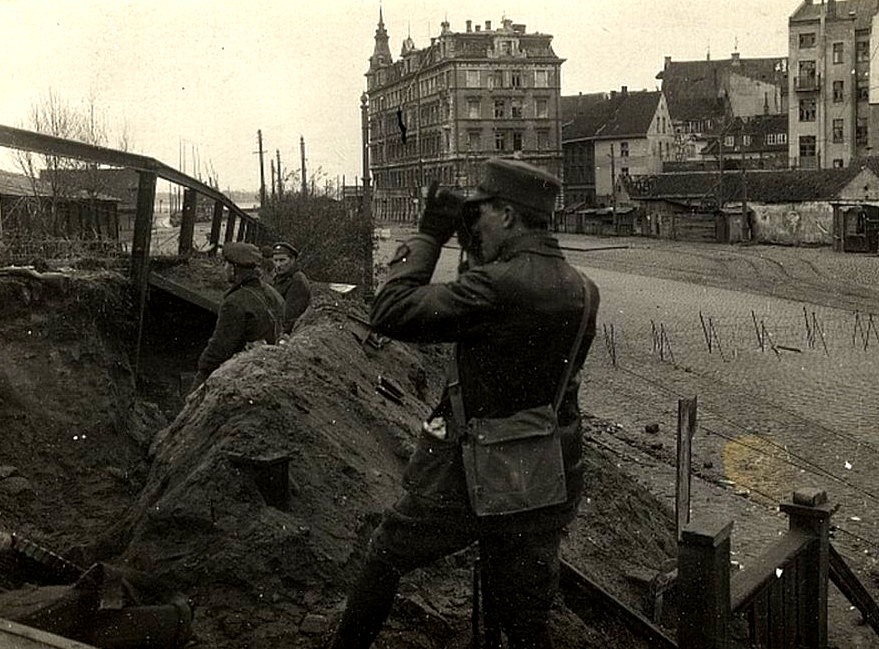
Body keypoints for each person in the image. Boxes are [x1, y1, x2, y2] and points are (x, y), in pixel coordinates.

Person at [329, 158, 601, 649]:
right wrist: (476, 246)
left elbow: (389, 311)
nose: (475, 222)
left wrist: (431, 234)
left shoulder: (497, 286)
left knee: (389, 550)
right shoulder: (583, 290)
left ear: (508, 216)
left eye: (481, 213)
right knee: (523, 609)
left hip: (479, 472)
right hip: (547, 474)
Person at [190, 241, 285, 391]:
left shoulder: (235, 303)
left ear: (235, 269)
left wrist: (203, 369)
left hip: (246, 370)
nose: (224, 269)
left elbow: (220, 347)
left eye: (226, 264)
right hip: (270, 365)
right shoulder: (272, 293)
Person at [271, 241, 312, 334]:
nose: (278, 265)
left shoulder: (297, 281)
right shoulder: (278, 278)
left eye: (282, 260)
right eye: (275, 260)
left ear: (292, 260)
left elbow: (291, 318)